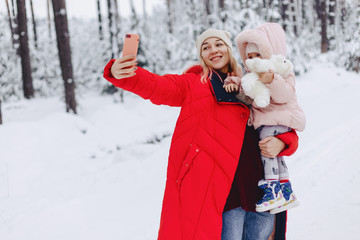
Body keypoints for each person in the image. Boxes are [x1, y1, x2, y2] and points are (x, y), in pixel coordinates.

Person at [103, 28, 299, 240]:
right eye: (206, 47)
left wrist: (284, 143)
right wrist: (123, 73)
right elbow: (157, 86)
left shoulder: (251, 83)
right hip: (225, 195)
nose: (213, 50)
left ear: (228, 49)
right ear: (201, 55)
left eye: (219, 44)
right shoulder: (193, 84)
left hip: (260, 188)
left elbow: (283, 120)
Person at [224, 22, 306, 214]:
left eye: (257, 56)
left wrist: (272, 80)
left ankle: (272, 188)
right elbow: (247, 92)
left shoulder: (281, 72)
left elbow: (284, 95)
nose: (253, 61)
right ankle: (285, 190)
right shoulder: (251, 75)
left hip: (275, 122)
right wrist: (235, 82)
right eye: (249, 57)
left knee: (267, 154)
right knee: (275, 157)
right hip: (266, 125)